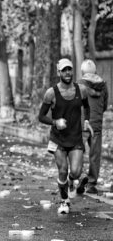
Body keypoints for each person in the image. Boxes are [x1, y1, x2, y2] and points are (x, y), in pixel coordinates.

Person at [38, 58, 93, 215]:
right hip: (58, 139)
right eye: (64, 70)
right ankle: (64, 201)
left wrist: (87, 121)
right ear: (59, 72)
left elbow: (87, 107)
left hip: (75, 138)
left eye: (69, 69)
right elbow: (41, 117)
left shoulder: (81, 90)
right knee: (63, 170)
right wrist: (55, 122)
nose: (68, 72)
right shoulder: (51, 93)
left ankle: (71, 183)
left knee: (75, 172)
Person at [77, 59, 108, 194]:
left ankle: (80, 177)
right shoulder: (104, 85)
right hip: (96, 124)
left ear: (82, 72)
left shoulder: (79, 84)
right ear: (95, 71)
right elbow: (105, 106)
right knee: (95, 154)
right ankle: (91, 184)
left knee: (77, 152)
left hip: (82, 124)